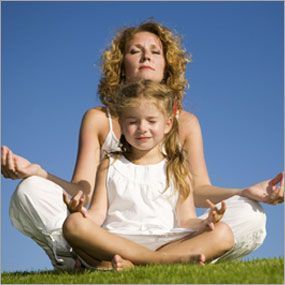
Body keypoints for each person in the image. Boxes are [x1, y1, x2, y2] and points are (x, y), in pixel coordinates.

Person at [1, 20, 283, 271]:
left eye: (155, 51)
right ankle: (147, 260)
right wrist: (40, 173)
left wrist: (240, 195)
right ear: (121, 64)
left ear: (167, 64)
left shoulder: (187, 123)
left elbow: (197, 193)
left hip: (167, 232)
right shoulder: (99, 122)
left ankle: (115, 260)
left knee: (249, 213)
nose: (146, 55)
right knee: (32, 192)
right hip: (112, 229)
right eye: (135, 50)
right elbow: (84, 194)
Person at [63, 79, 233, 270]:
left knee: (224, 233)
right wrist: (80, 213)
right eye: (133, 122)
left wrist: (206, 223)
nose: (142, 128)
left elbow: (186, 219)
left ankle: (133, 263)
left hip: (166, 242)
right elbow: (97, 214)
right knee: (73, 224)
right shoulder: (109, 165)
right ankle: (160, 262)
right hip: (118, 241)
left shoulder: (178, 168)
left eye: (151, 121)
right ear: (122, 124)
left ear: (168, 124)